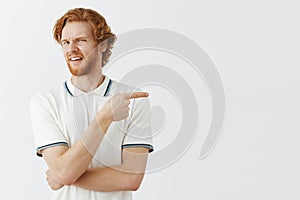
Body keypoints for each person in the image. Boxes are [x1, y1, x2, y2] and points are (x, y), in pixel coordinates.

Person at [30, 7, 153, 200]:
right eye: (66, 42)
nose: (71, 49)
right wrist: (104, 118)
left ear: (102, 44)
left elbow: (131, 179)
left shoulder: (133, 100)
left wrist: (63, 175)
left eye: (80, 40)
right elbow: (64, 172)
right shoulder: (46, 102)